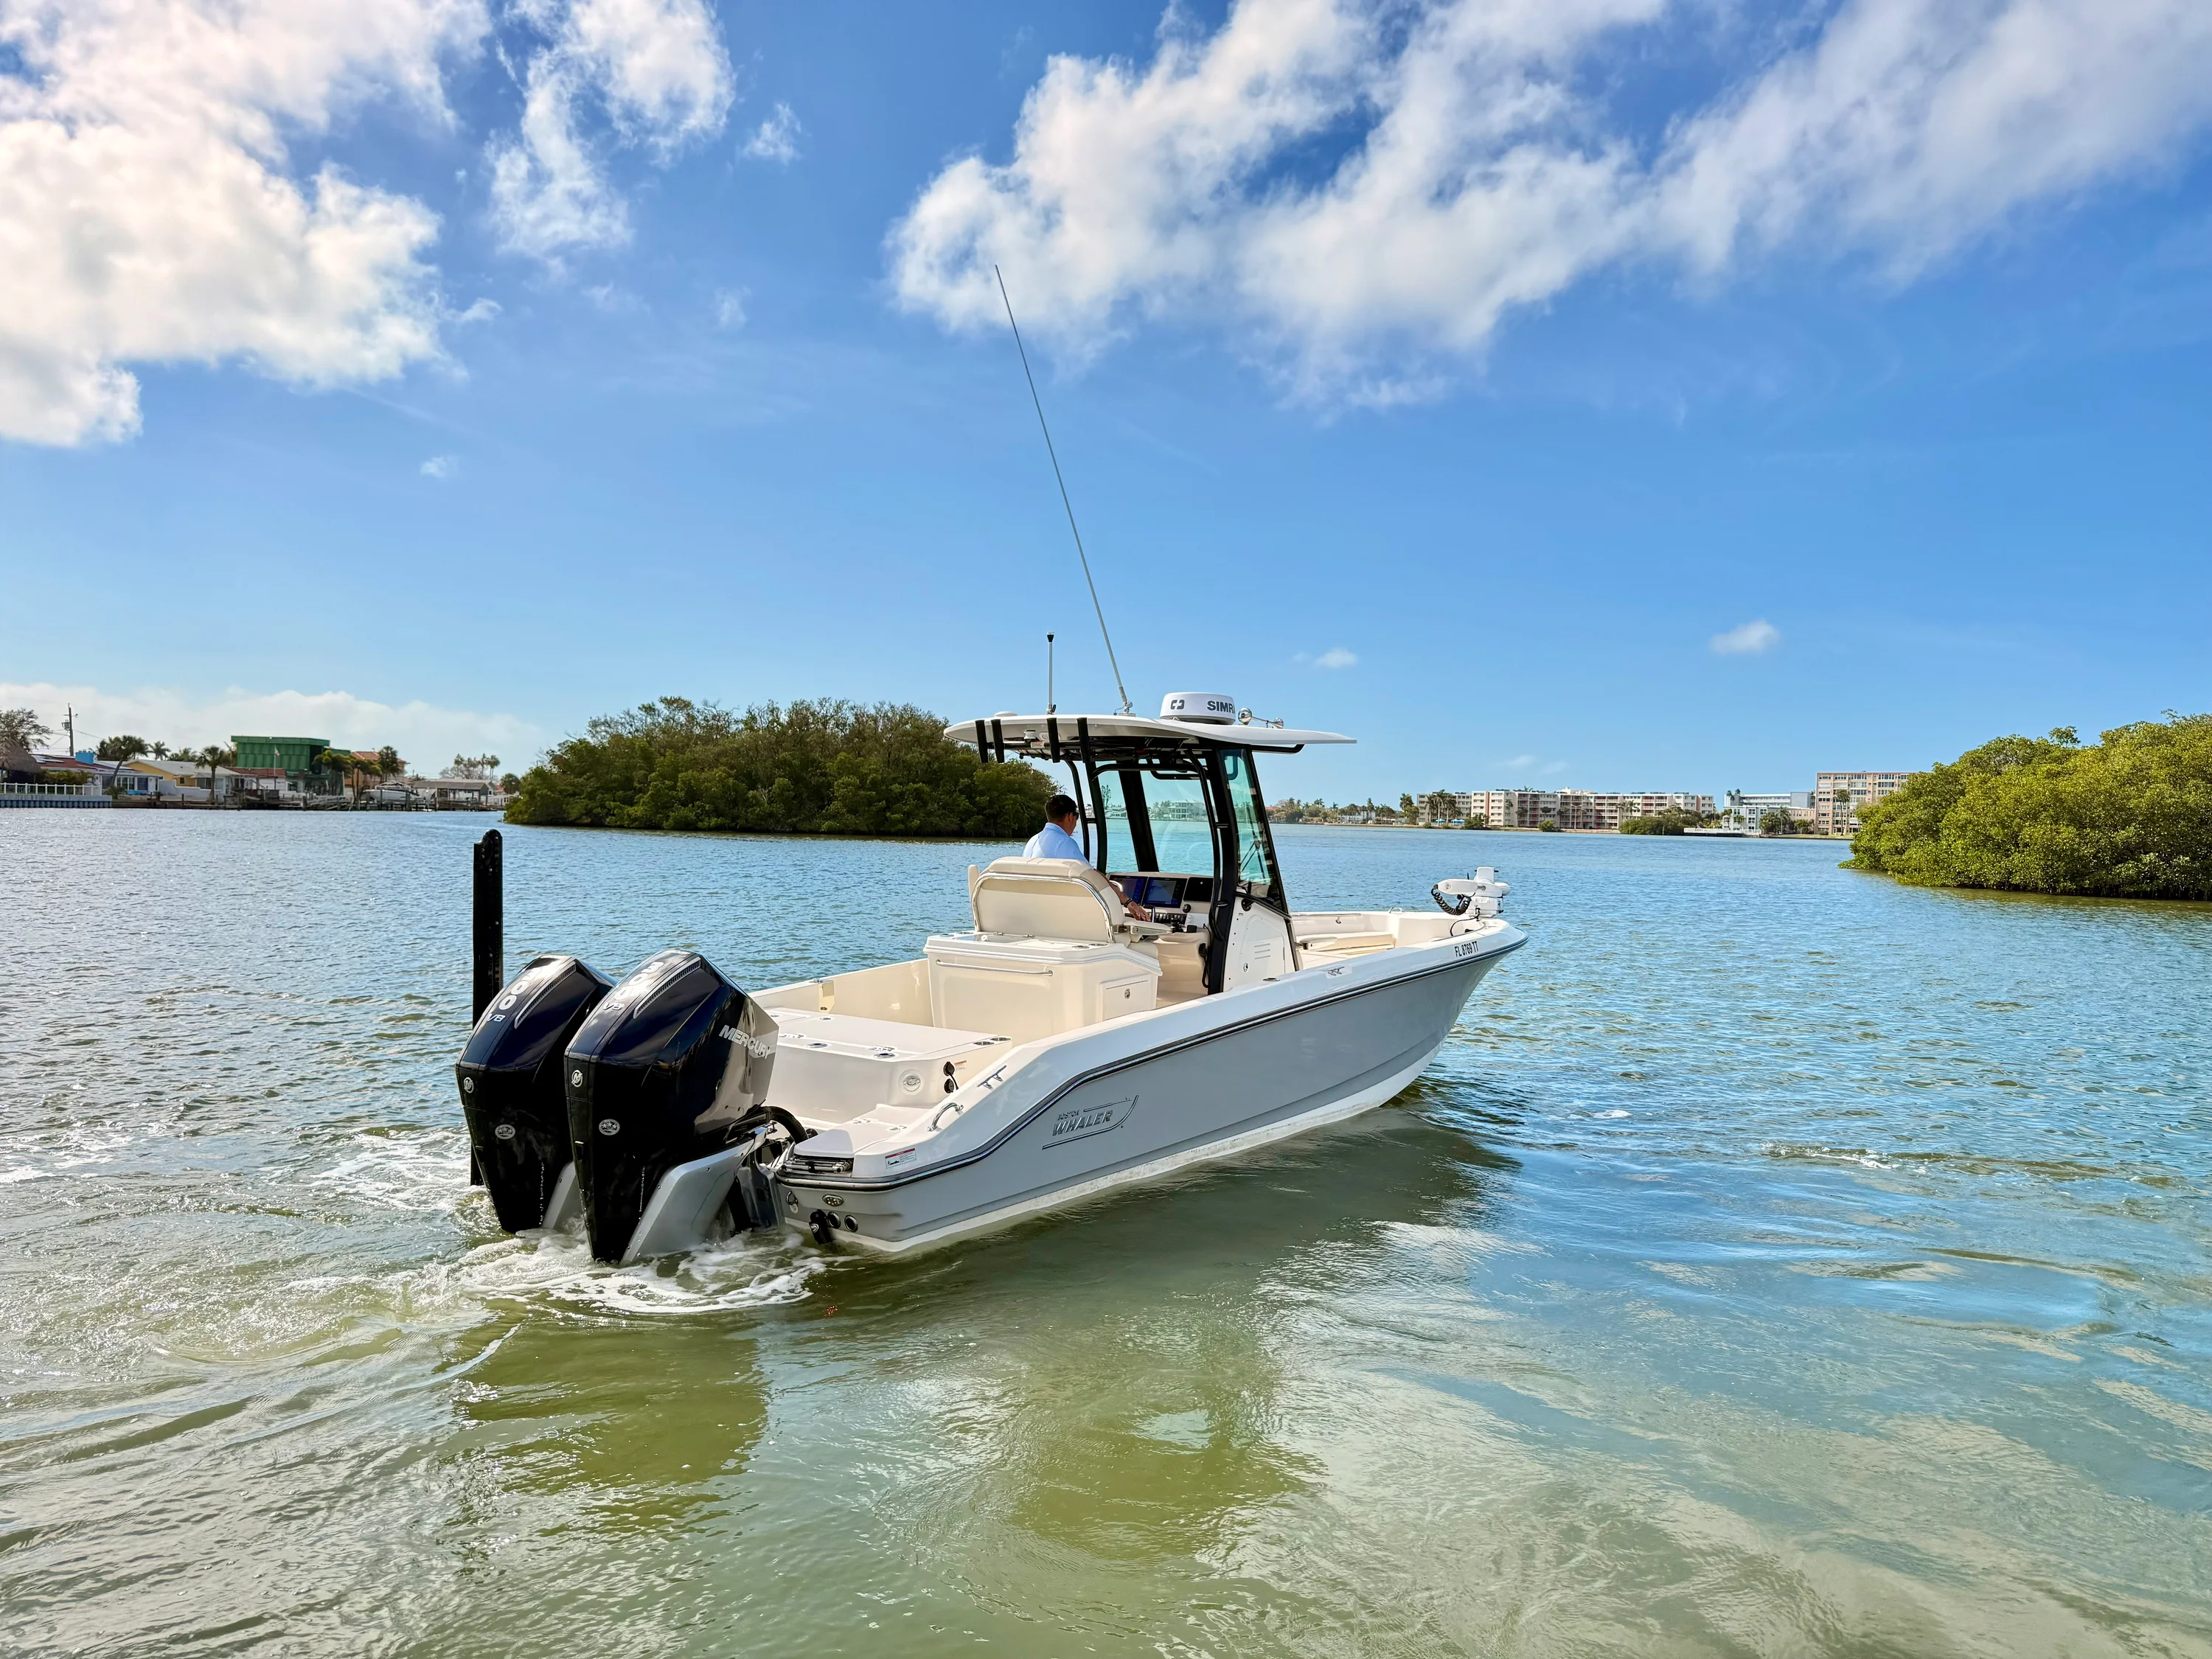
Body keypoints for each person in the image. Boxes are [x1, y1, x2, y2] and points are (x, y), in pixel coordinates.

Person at [1023, 796, 1151, 920]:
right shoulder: (1064, 842)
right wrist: (1128, 902)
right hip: (1056, 916)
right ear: (1069, 817)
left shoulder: (1033, 841)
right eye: (1077, 816)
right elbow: (1092, 877)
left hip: (1035, 914)